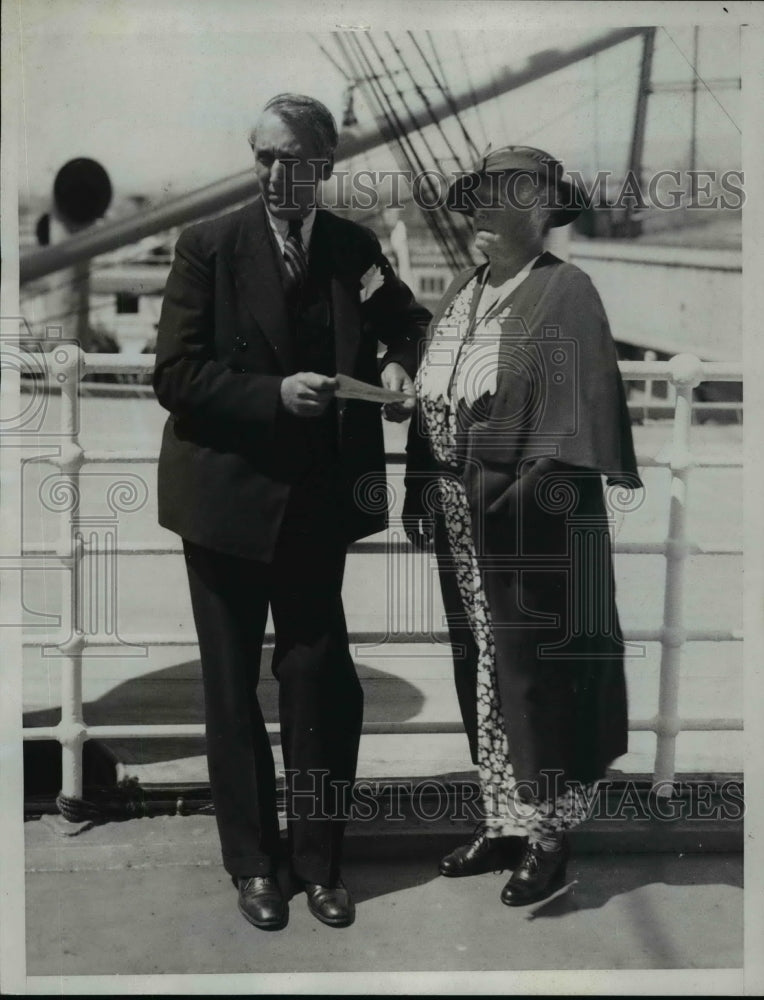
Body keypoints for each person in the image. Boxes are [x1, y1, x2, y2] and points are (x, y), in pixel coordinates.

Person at [153, 93, 430, 930]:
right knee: (231, 690)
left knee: (321, 683)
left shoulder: (353, 248)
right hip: (224, 502)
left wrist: (397, 364)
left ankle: (319, 864)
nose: (275, 174)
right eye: (263, 157)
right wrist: (272, 394)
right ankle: (253, 866)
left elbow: (408, 321)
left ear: (324, 167)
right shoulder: (209, 246)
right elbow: (175, 375)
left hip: (316, 505)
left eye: (293, 161)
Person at [403, 145, 642, 907]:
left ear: (538, 211)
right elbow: (432, 395)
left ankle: (548, 837)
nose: (476, 210)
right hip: (461, 516)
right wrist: (420, 486)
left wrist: (516, 496)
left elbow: (579, 417)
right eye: (474, 197)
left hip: (528, 524)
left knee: (537, 673)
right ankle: (502, 818)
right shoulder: (467, 290)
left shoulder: (565, 291)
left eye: (495, 198)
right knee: (484, 666)